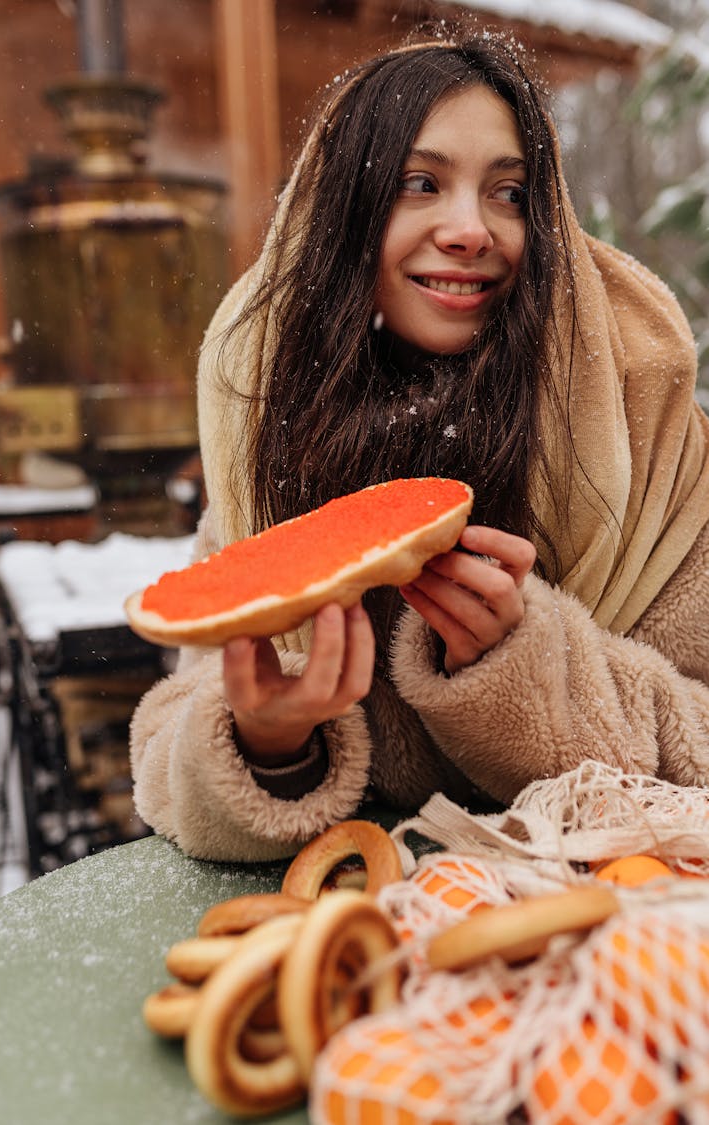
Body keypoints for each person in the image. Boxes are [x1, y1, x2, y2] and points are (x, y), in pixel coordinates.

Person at [129, 27, 709, 863]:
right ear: (343, 215)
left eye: (509, 193)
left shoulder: (639, 425)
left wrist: (526, 665)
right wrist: (265, 742)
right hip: (350, 941)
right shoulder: (270, 420)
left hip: (609, 931)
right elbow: (167, 752)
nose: (471, 228)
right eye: (419, 183)